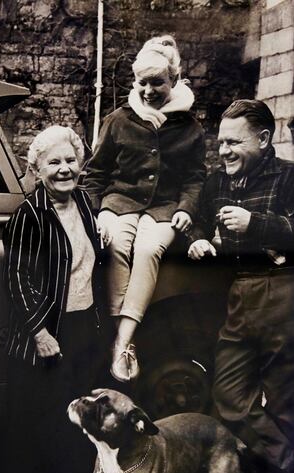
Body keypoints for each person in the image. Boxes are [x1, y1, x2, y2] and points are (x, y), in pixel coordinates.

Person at [188, 99, 294, 473]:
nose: (224, 151)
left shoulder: (288, 176)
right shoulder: (218, 182)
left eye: (235, 142)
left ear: (264, 139)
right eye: (221, 142)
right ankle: (286, 468)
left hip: (283, 290)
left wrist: (256, 225)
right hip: (238, 293)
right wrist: (199, 240)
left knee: (286, 401)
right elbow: (195, 220)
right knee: (229, 395)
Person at [83, 34, 206, 383]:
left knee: (149, 248)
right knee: (118, 244)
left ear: (175, 81)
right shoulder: (119, 119)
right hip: (119, 202)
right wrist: (92, 214)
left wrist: (187, 208)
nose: (149, 91)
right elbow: (96, 173)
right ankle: (122, 336)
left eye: (158, 83)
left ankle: (122, 341)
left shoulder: (189, 127)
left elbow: (196, 177)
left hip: (165, 209)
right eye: (142, 83)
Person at [3, 125, 101, 473]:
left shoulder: (83, 201)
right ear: (35, 169)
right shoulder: (29, 214)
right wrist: (39, 332)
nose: (64, 169)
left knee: (78, 422)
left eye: (70, 160)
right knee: (43, 426)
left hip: (83, 327)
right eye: (53, 162)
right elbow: (17, 278)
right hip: (47, 335)